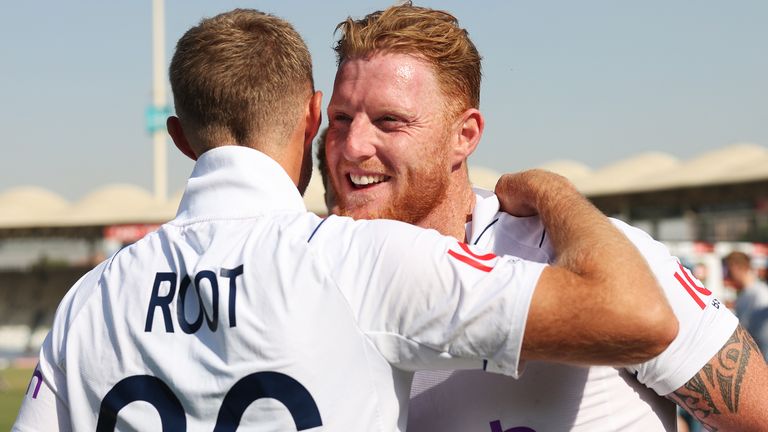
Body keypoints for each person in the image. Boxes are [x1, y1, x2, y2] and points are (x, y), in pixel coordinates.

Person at [12, 9, 676, 431]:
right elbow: (639, 317)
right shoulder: (359, 259)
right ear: (311, 116)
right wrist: (555, 192)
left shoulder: (89, 299)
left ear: (181, 138)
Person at [322, 3, 768, 431]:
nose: (352, 144)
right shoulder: (308, 274)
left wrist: (551, 190)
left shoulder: (587, 260)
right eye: (340, 118)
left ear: (464, 135)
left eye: (388, 120)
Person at [726, 251, 768, 359]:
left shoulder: (759, 293)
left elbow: (763, 334)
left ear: (735, 267)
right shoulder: (744, 295)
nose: (727, 275)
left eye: (729, 270)